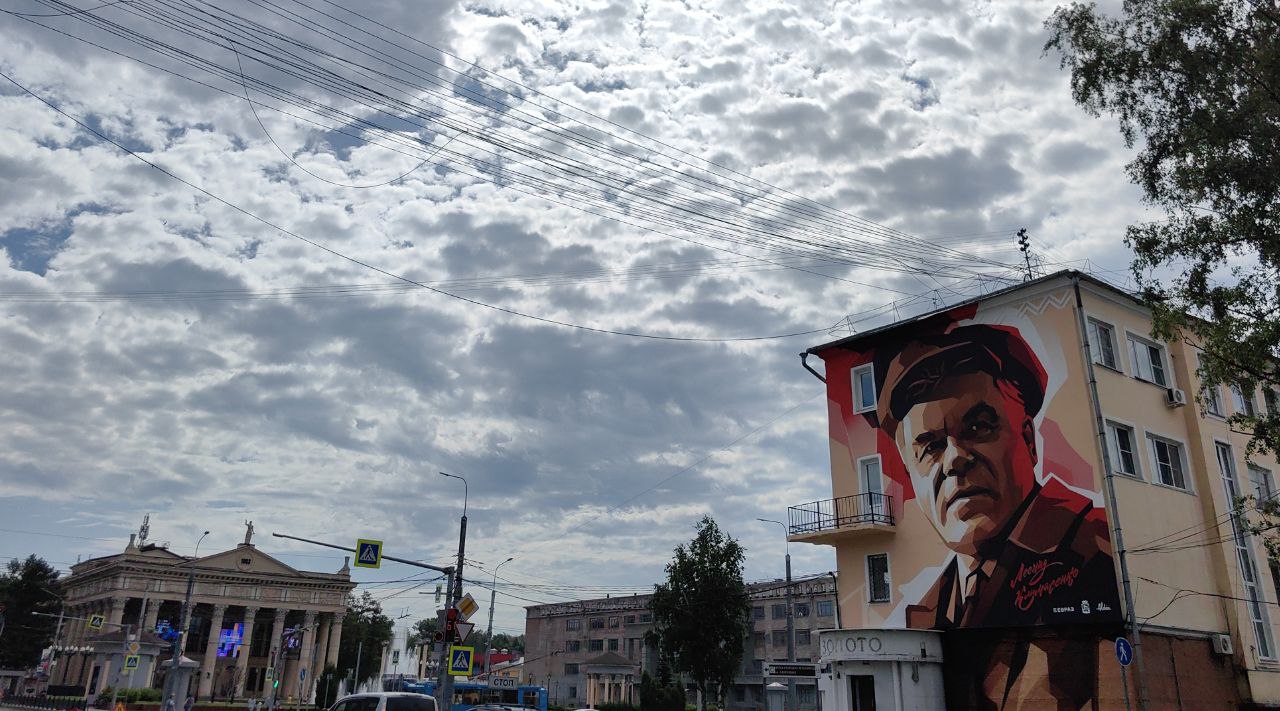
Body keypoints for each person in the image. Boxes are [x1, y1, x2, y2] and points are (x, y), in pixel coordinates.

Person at [874, 323, 1121, 629]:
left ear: (1029, 441)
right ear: (912, 475)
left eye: (978, 428)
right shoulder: (927, 610)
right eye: (932, 447)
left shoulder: (1099, 548)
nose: (955, 460)